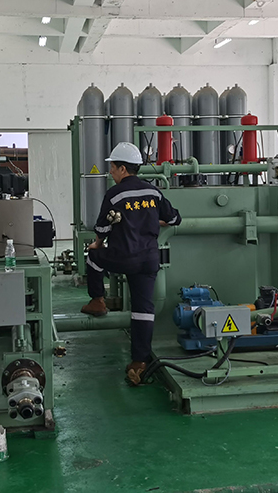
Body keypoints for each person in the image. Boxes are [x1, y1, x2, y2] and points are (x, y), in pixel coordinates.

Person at [81, 142, 182, 385]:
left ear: (123, 169)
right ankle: (140, 362)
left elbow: (102, 228)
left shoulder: (115, 194)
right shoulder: (154, 192)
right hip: (148, 260)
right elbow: (174, 219)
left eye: (113, 167)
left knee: (93, 258)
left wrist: (97, 244)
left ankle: (97, 301)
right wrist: (154, 222)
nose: (111, 172)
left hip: (122, 257)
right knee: (143, 311)